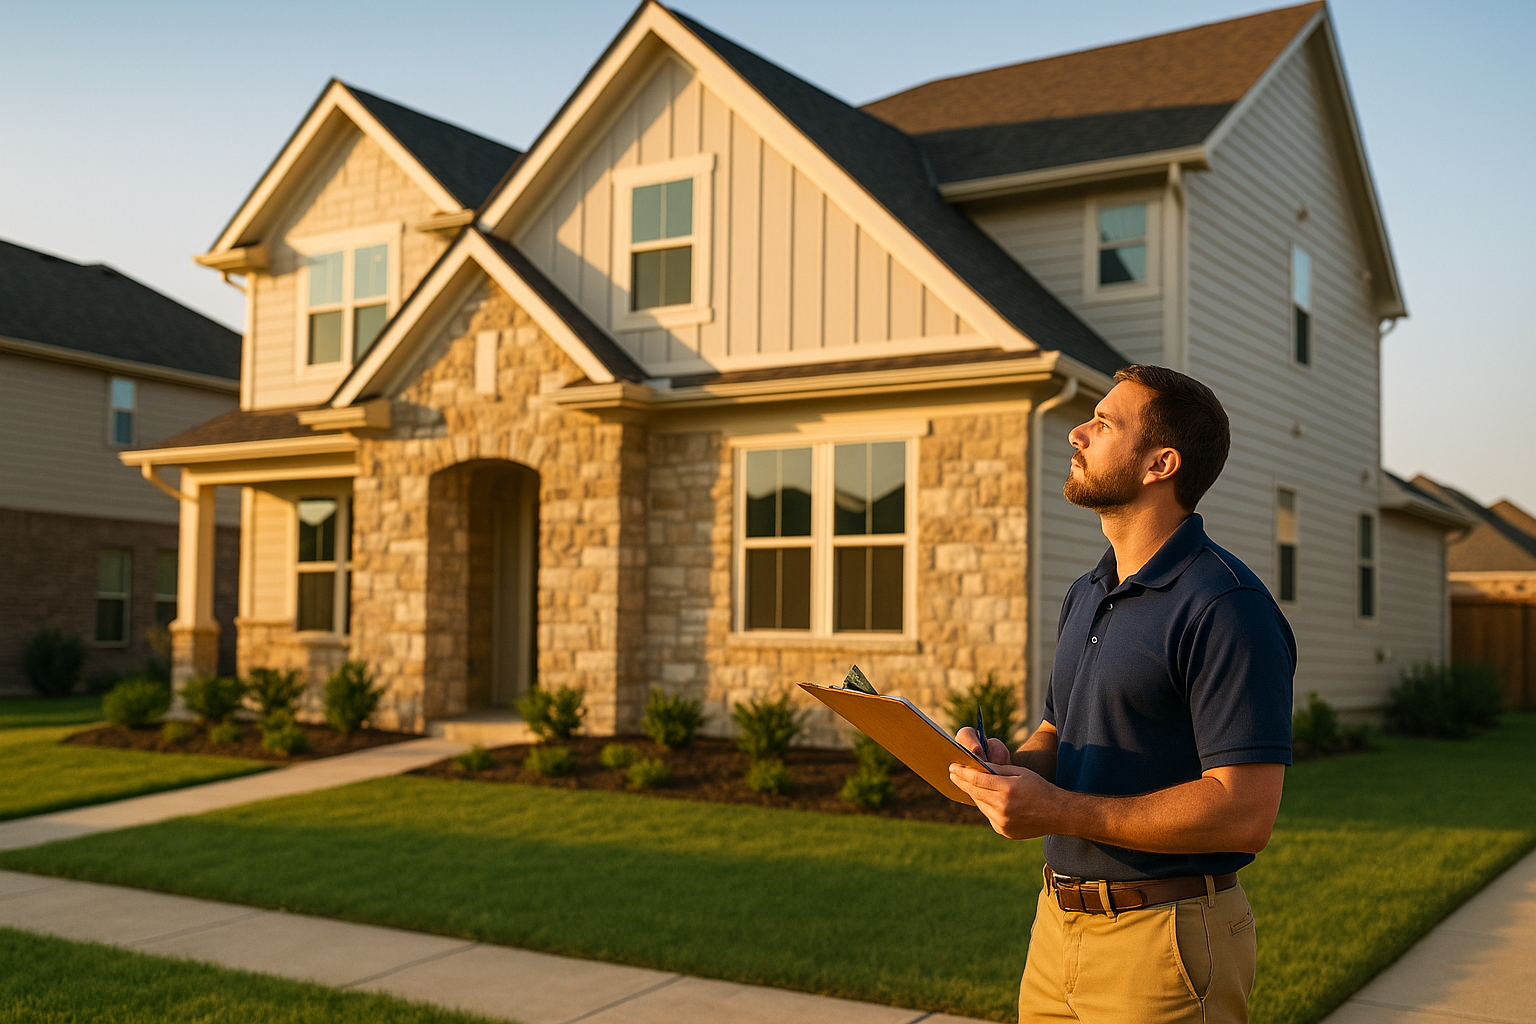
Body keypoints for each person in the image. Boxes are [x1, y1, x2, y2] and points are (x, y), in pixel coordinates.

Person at [949, 364, 1295, 1024]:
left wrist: (1055, 810)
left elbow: (1244, 812)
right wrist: (1009, 767)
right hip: (1056, 928)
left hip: (1164, 942)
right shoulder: (1088, 591)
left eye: (1104, 423)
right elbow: (1059, 732)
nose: (1077, 432)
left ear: (1160, 463)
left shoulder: (1227, 606)